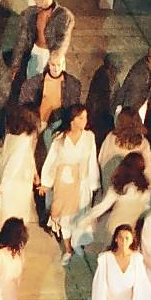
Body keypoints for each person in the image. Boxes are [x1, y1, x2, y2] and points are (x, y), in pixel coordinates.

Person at [38, 105, 100, 263]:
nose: (85, 121)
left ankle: (77, 242)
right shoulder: (60, 139)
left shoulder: (89, 137)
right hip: (64, 183)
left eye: (86, 117)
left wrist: (93, 183)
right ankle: (68, 249)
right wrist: (46, 182)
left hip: (82, 182)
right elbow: (52, 161)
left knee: (80, 215)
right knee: (65, 217)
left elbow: (92, 160)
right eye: (81, 118)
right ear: (72, 120)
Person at [76, 153, 151, 253]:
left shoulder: (119, 187)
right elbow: (146, 213)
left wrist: (83, 221)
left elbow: (101, 208)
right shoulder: (147, 191)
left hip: (114, 232)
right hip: (130, 233)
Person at [0, 107, 41, 232]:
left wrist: (35, 174)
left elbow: (29, 156)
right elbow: (12, 164)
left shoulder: (11, 137)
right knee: (14, 214)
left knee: (9, 213)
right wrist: (2, 186)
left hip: (17, 181)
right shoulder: (23, 139)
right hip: (15, 183)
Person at [12, 0, 73, 80]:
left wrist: (53, 63)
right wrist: (16, 65)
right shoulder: (29, 13)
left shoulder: (64, 16)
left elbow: (62, 44)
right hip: (35, 54)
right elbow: (22, 39)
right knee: (31, 84)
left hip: (53, 58)